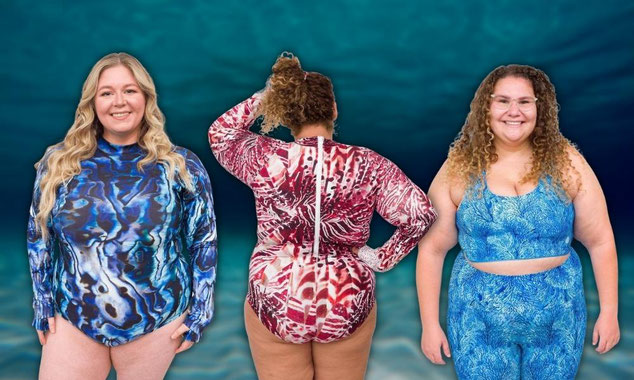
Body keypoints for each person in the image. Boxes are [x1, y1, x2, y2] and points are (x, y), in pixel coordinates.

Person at [208, 52, 437, 380]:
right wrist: (380, 258)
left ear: (286, 114)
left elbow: (221, 134)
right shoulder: (367, 164)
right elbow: (420, 215)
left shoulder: (267, 159)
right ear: (333, 110)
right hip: (344, 300)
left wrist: (269, 93)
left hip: (277, 296)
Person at [416, 64, 620, 379]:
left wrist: (610, 313)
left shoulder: (568, 162)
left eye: (525, 101)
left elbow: (600, 240)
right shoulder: (458, 167)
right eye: (503, 101)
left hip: (558, 316)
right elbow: (431, 250)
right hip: (478, 318)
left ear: (541, 108)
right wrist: (430, 325)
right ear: (486, 107)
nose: (515, 111)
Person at [27, 52, 217, 379]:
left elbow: (203, 240)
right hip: (74, 320)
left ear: (146, 97)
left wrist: (201, 310)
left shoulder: (181, 166)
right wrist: (42, 301)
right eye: (106, 92)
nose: (119, 102)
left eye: (130, 90)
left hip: (156, 320)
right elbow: (38, 236)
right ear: (92, 102)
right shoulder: (58, 163)